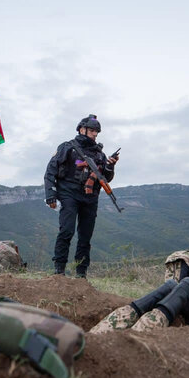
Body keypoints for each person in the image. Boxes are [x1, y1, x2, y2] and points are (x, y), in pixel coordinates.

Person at [89, 248, 189, 333]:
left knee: (171, 286)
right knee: (187, 284)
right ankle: (165, 306)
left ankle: (148, 306)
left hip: (93, 344)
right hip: (127, 345)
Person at [44, 114, 119, 278]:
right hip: (68, 193)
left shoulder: (99, 153)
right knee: (67, 231)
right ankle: (59, 270)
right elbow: (50, 171)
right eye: (92, 130)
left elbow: (105, 178)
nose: (95, 134)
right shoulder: (67, 147)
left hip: (90, 198)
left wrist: (110, 166)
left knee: (85, 237)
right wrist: (50, 194)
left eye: (97, 132)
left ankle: (81, 273)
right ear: (82, 129)